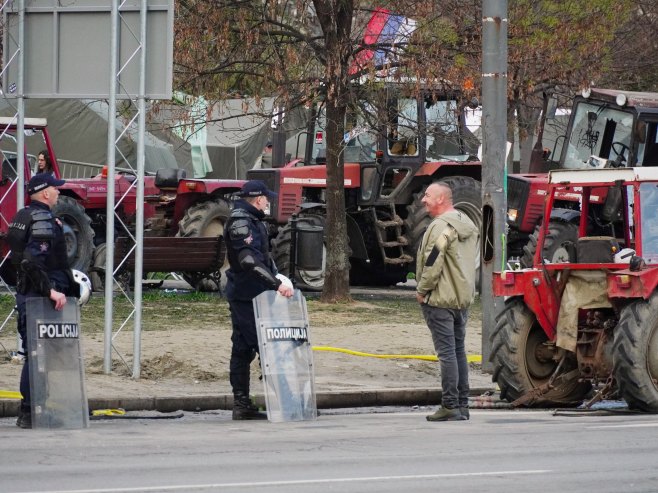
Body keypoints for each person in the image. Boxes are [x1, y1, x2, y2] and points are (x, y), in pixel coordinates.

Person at [7, 174, 73, 429]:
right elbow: (32, 262)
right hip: (40, 299)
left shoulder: (22, 216)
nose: (58, 193)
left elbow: (13, 260)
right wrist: (50, 292)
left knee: (35, 354)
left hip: (27, 295)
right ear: (45, 193)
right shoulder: (43, 219)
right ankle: (34, 412)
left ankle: (32, 411)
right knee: (39, 356)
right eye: (55, 190)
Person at [224, 180, 294, 420]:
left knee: (243, 349)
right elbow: (248, 261)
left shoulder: (251, 220)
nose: (268, 202)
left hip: (251, 294)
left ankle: (242, 405)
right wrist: (276, 284)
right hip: (248, 296)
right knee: (268, 348)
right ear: (257, 199)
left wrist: (275, 278)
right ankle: (287, 402)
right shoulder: (241, 222)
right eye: (266, 198)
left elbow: (261, 259)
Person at [415, 182, 479, 422]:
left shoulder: (442, 227)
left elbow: (433, 261)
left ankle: (450, 404)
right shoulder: (466, 223)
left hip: (440, 299)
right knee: (459, 351)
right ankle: (463, 405)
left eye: (427, 195)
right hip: (461, 299)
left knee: (447, 354)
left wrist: (422, 290)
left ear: (441, 198)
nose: (423, 199)